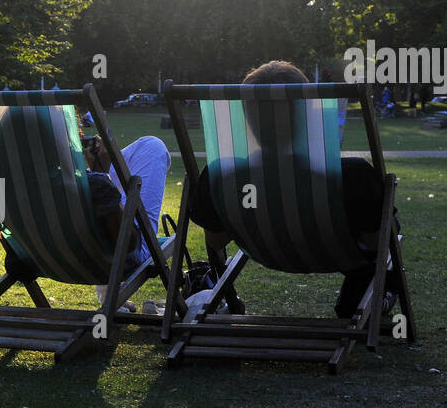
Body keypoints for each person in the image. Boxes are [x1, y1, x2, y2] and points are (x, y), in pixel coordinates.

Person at [189, 61, 399, 318]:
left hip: (265, 254)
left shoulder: (221, 176)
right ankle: (362, 303)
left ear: (246, 116)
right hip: (338, 254)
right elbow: (375, 243)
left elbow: (217, 240)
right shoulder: (352, 176)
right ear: (307, 113)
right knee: (384, 232)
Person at [81, 132, 171, 308]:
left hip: (43, 257)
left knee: (145, 145)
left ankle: (110, 295)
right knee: (154, 146)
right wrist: (101, 175)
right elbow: (128, 243)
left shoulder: (17, 182)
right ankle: (111, 293)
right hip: (113, 256)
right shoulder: (85, 180)